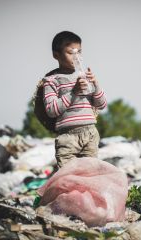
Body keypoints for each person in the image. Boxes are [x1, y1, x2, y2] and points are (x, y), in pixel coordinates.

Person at [43, 31, 107, 169]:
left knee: (89, 173)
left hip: (90, 132)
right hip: (67, 137)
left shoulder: (84, 76)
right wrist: (73, 92)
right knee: (68, 176)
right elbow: (51, 110)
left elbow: (101, 105)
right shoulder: (52, 80)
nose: (76, 57)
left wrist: (95, 84)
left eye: (79, 52)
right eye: (70, 53)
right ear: (56, 55)